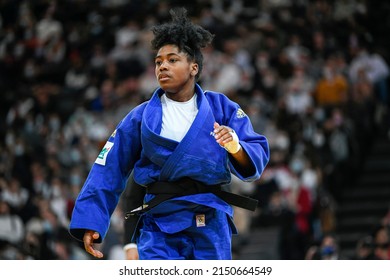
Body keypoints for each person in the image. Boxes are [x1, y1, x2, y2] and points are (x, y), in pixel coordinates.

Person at [68, 7, 270, 260]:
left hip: (210, 221)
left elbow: (254, 158)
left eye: (172, 60)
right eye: (158, 62)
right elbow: (108, 166)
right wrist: (92, 220)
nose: (162, 66)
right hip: (159, 223)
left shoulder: (221, 108)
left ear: (193, 67)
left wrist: (236, 148)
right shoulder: (140, 116)